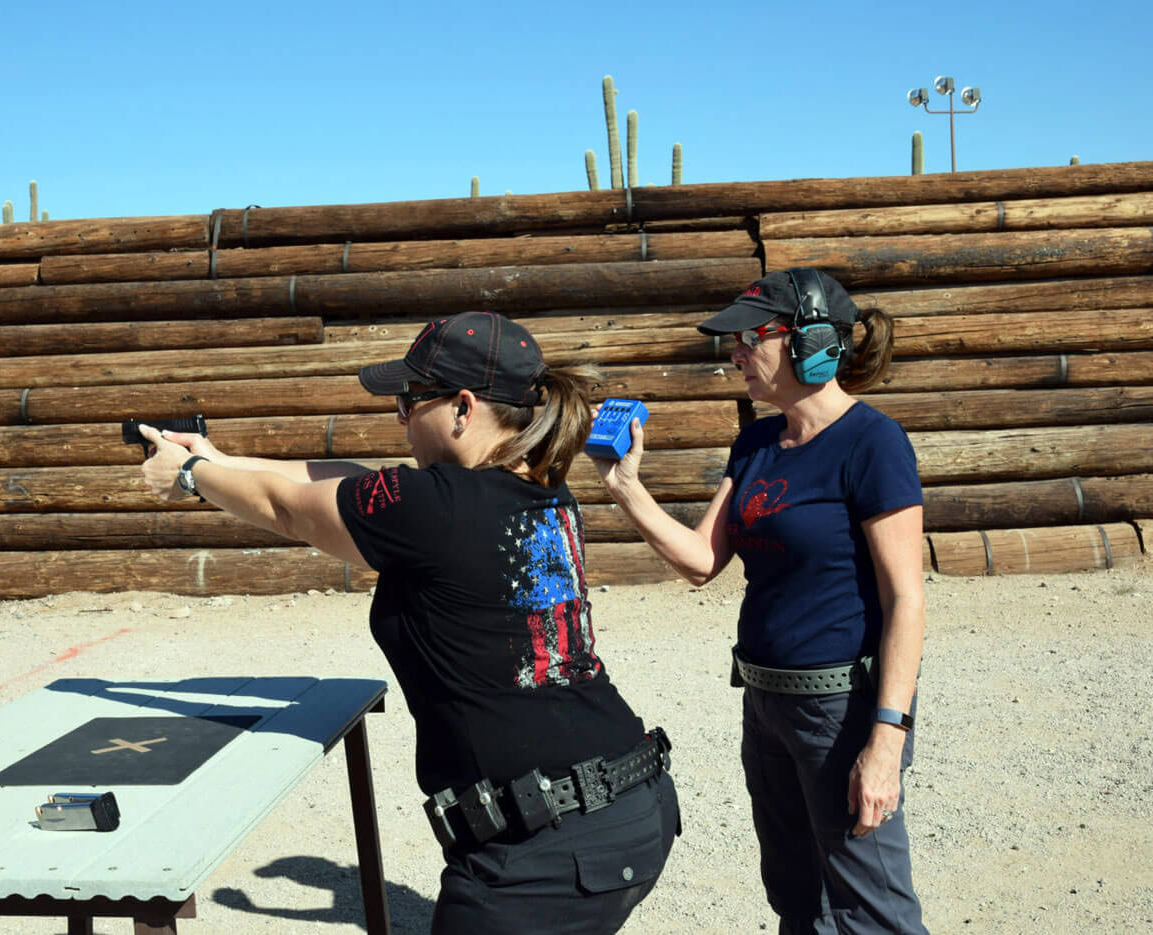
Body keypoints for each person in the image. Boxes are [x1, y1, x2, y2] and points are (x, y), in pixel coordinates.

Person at [138, 310, 678, 934]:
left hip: (544, 854)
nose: (399, 416)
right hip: (628, 803)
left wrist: (186, 475)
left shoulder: (432, 506)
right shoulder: (542, 490)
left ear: (463, 408)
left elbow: (287, 509)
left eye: (410, 399)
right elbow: (350, 482)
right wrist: (218, 459)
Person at [592, 268, 928, 934]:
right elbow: (700, 561)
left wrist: (886, 739)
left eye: (750, 339)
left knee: (872, 912)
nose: (736, 355)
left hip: (840, 710)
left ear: (813, 344)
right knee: (797, 899)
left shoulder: (873, 443)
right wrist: (624, 487)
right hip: (766, 703)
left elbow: (906, 600)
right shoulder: (754, 444)